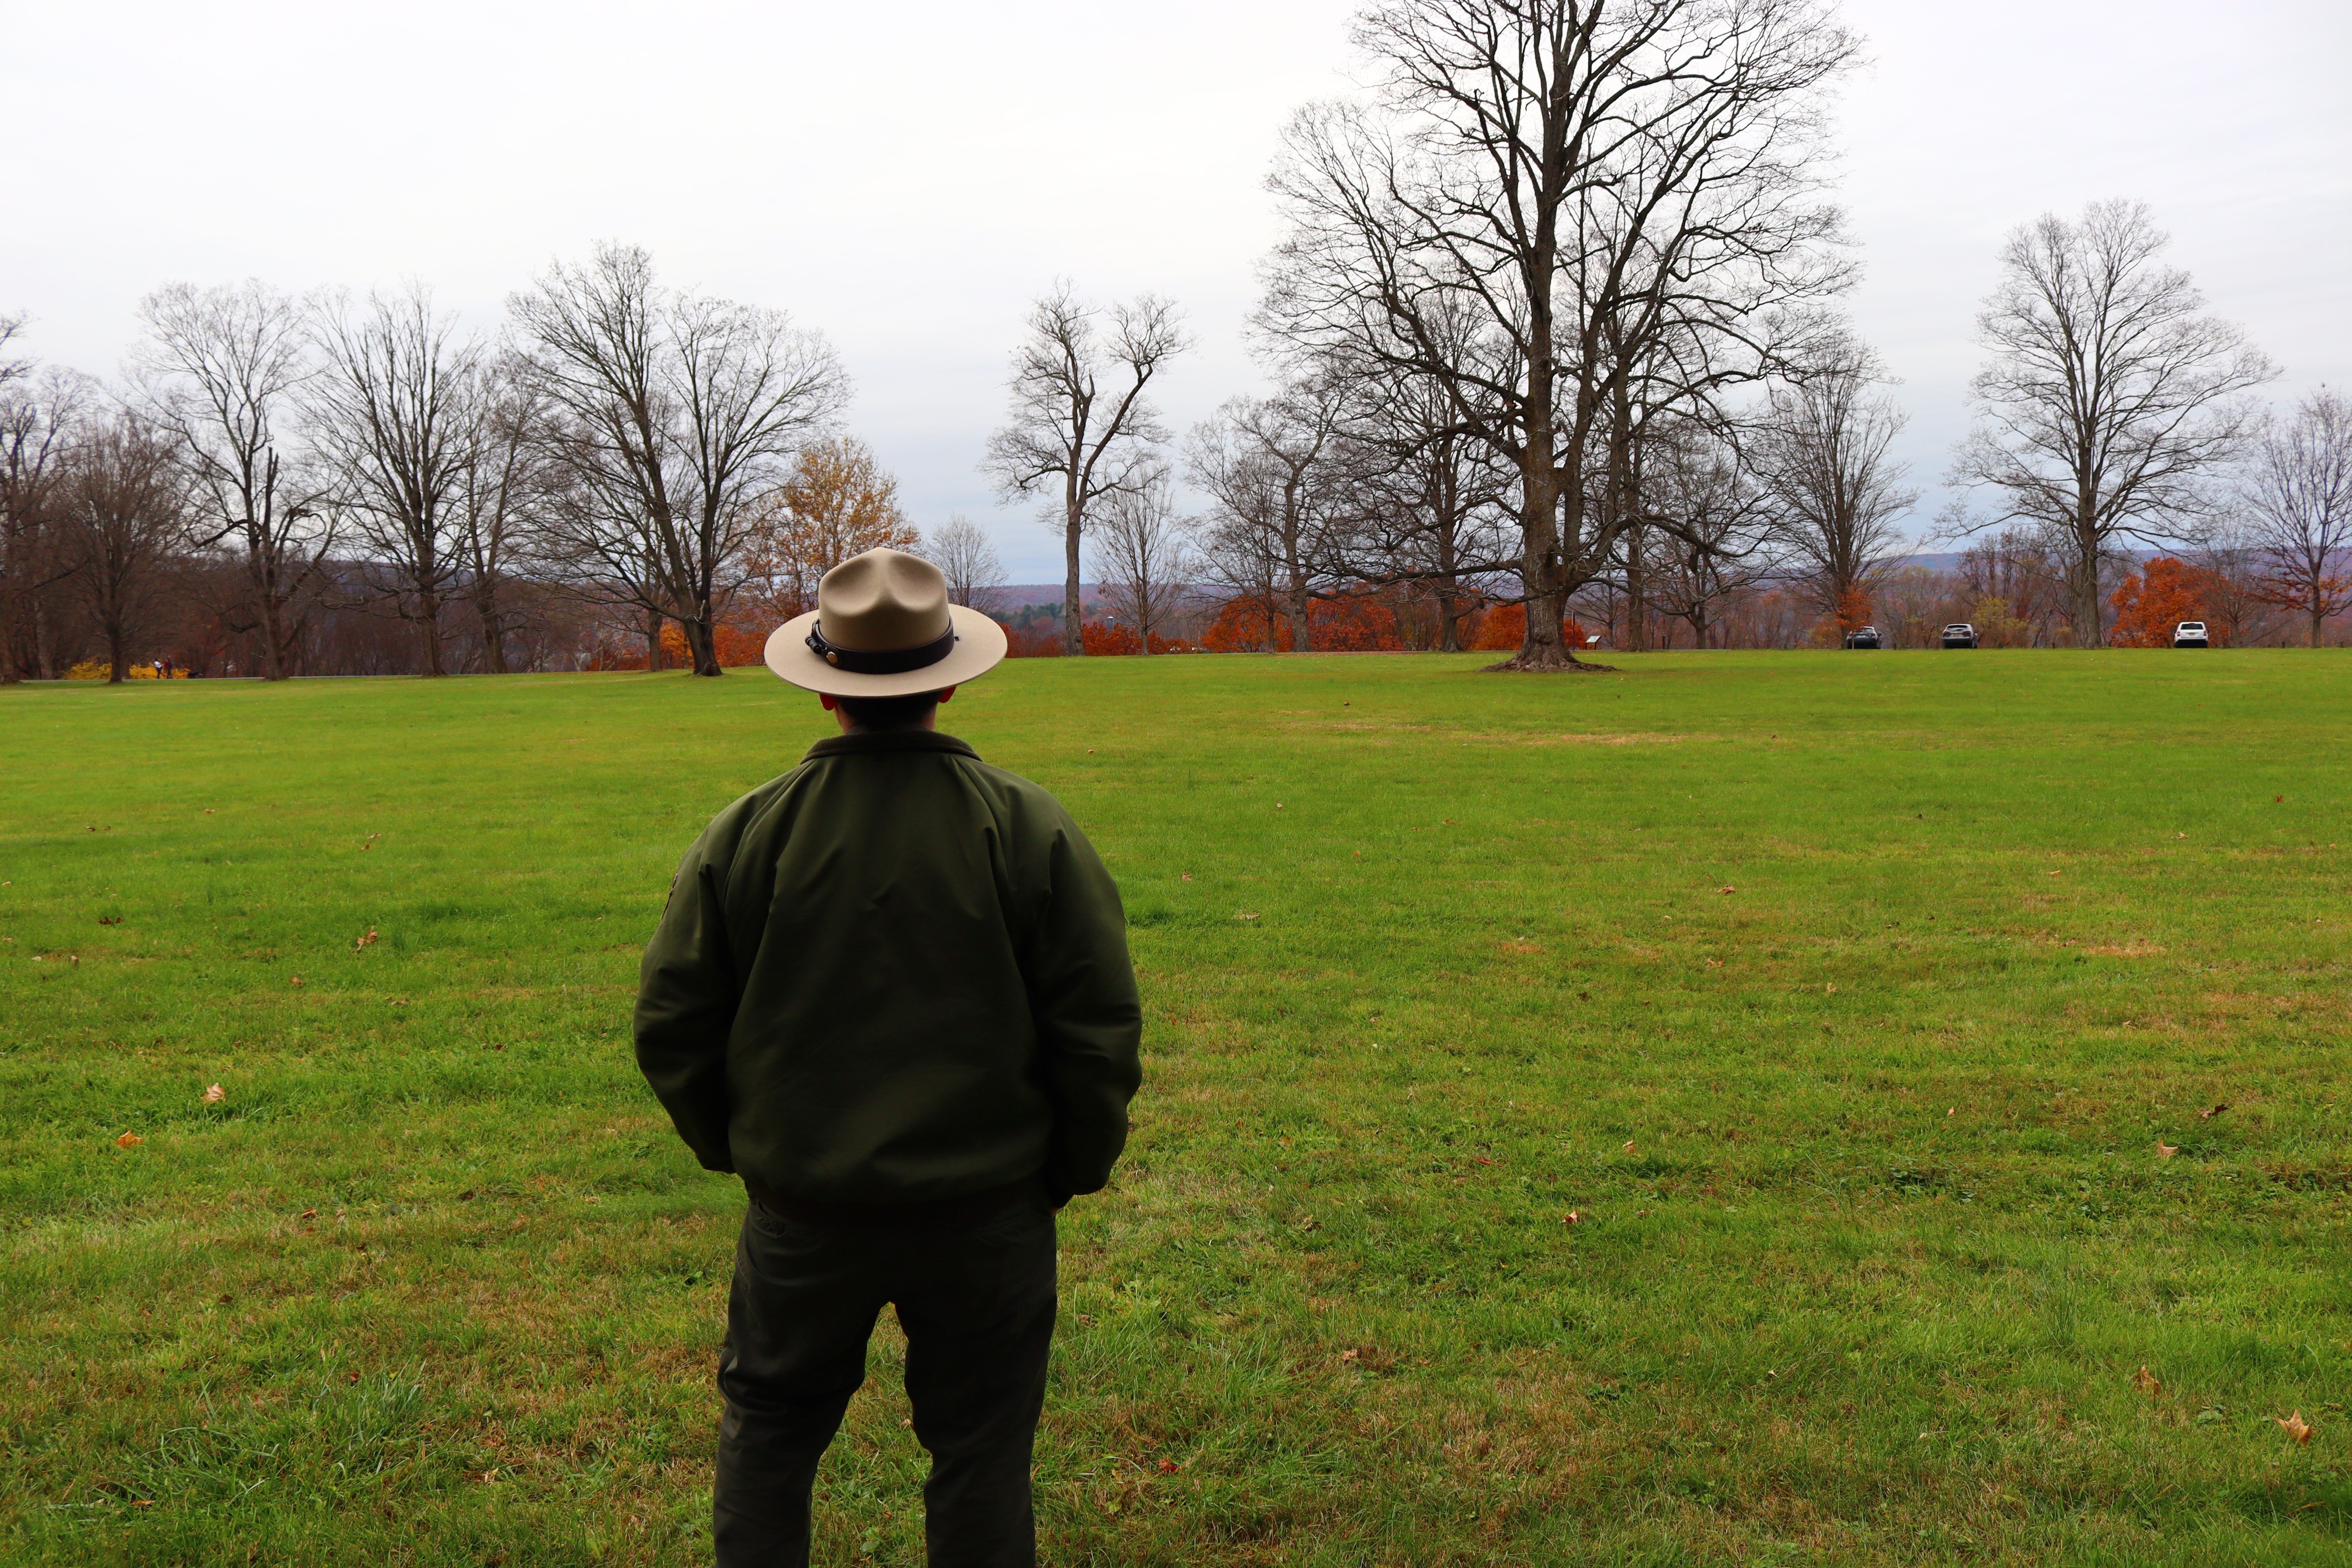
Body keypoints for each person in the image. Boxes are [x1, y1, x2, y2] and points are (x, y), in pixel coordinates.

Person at [634, 547, 1143, 1567]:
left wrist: (746, 1151)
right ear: (949, 675)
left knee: (771, 1437)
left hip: (806, 1214)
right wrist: (1066, 1170)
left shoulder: (748, 835)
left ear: (825, 693)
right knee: (982, 1453)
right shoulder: (1028, 829)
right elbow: (1097, 1030)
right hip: (988, 1215)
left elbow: (673, 1022)